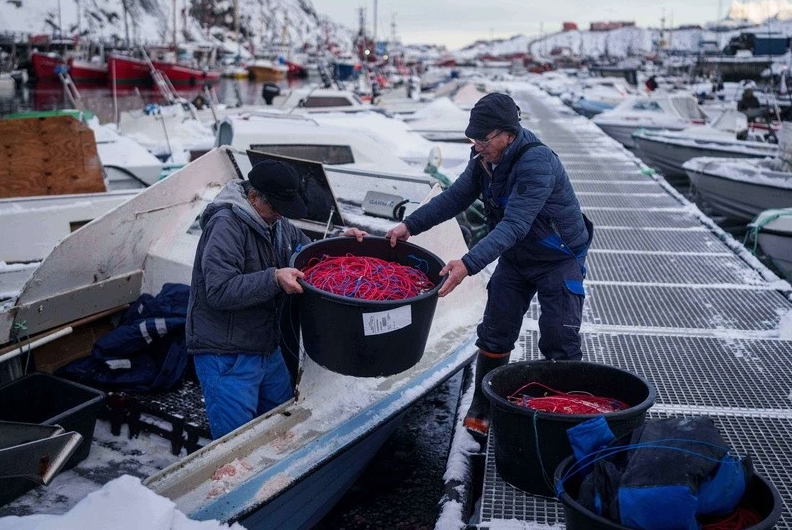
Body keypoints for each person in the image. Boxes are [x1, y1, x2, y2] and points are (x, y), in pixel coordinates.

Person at [386, 92, 593, 438]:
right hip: (517, 254)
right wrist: (410, 225)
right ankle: (483, 404)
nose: (476, 144)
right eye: (474, 138)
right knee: (496, 328)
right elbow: (455, 198)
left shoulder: (536, 163)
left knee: (560, 338)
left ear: (507, 134)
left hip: (558, 257)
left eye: (483, 139)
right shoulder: (483, 158)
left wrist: (468, 263)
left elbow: (514, 225)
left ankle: (562, 417)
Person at [186, 159, 365, 438]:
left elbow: (308, 250)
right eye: (277, 208)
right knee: (237, 444)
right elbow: (218, 291)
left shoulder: (276, 221)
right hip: (226, 355)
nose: (282, 215)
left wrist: (340, 240)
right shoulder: (225, 225)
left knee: (283, 423)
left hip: (266, 347)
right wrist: (274, 278)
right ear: (254, 197)